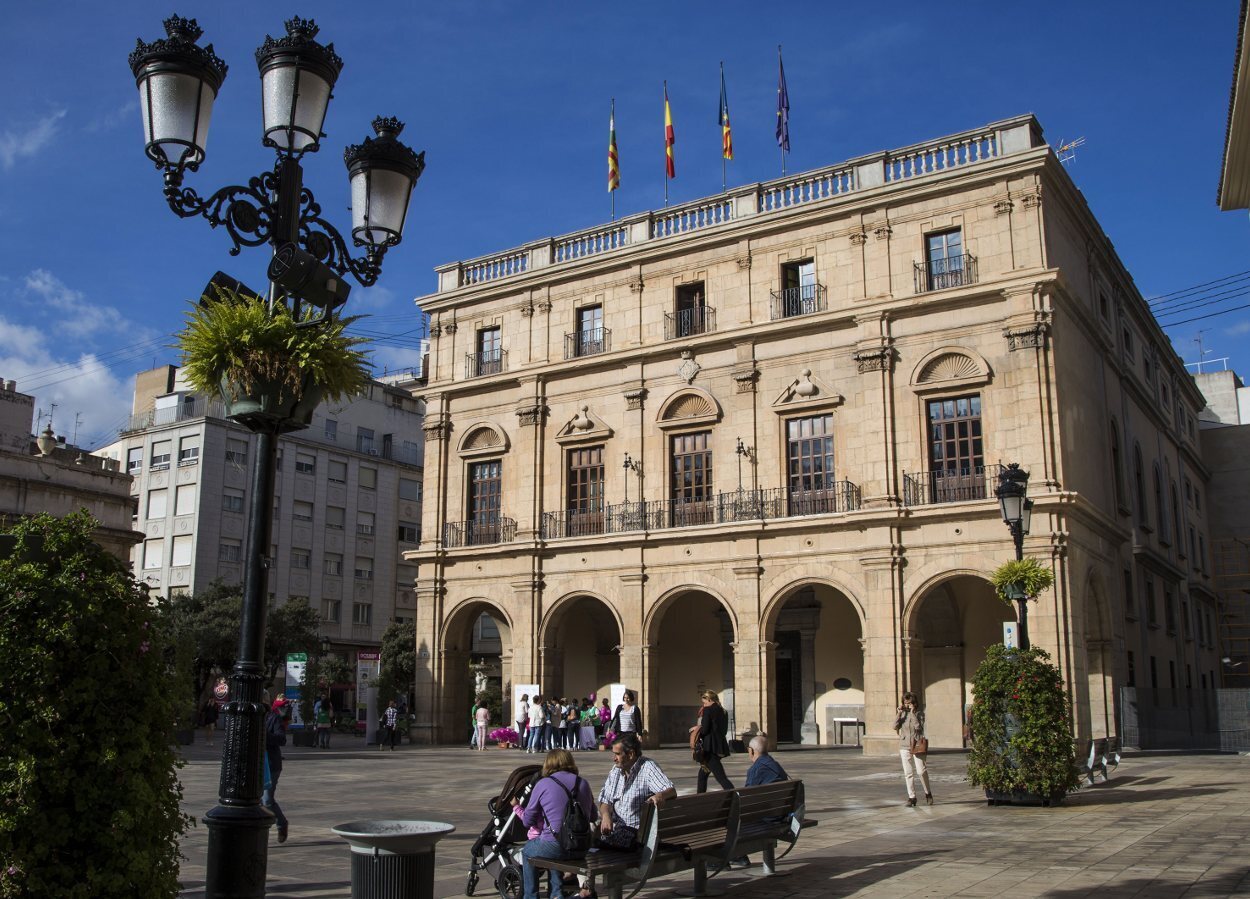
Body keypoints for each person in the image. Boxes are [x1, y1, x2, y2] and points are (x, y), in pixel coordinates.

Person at [513, 749, 595, 899]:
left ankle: (530, 896)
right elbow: (593, 816)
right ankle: (556, 894)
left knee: (528, 851)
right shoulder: (583, 783)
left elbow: (527, 821)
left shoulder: (544, 784)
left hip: (556, 845)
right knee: (554, 848)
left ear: (548, 763)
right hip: (581, 846)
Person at [597, 732, 676, 849]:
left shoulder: (647, 767)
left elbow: (671, 791)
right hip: (618, 832)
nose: (614, 759)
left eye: (618, 754)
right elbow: (605, 800)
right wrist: (606, 815)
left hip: (638, 838)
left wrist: (660, 795)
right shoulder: (615, 771)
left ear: (631, 754)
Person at [690, 690, 734, 792]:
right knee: (702, 775)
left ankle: (734, 796)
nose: (704, 705)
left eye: (704, 702)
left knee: (721, 778)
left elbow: (705, 730)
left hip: (710, 748)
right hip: (719, 746)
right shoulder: (723, 711)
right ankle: (700, 799)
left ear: (709, 699)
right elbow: (723, 731)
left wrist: (697, 728)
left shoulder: (708, 710)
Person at [894, 691, 932, 807]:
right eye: (905, 703)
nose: (907, 705)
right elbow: (895, 726)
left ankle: (928, 793)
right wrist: (899, 714)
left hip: (917, 745)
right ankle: (912, 797)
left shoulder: (920, 714)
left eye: (909, 703)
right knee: (908, 773)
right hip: (904, 745)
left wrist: (912, 713)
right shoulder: (903, 714)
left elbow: (918, 727)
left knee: (921, 771)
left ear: (914, 703)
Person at [264, 697, 291, 843]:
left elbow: (281, 739)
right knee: (257, 801)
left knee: (267, 799)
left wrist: (264, 736)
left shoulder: (274, 718)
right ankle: (260, 832)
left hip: (271, 764)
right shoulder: (254, 716)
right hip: (257, 763)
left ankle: (281, 824)